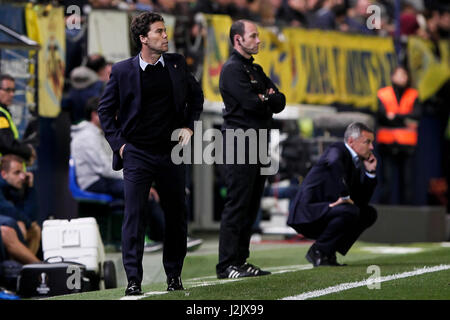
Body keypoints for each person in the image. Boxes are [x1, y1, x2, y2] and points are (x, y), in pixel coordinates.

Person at [98, 12, 203, 295]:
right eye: (159, 32)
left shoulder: (178, 64)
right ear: (143, 38)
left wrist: (188, 126)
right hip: (137, 153)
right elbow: (105, 111)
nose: (165, 36)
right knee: (134, 216)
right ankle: (133, 280)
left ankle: (174, 276)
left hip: (171, 153)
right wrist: (119, 145)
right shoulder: (121, 71)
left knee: (177, 216)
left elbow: (197, 97)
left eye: (165, 31)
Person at [71, 97, 202, 252]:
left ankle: (169, 237)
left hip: (106, 179)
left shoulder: (100, 133)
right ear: (94, 115)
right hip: (94, 182)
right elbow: (104, 169)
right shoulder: (87, 136)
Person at [217, 19, 286, 279]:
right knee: (238, 204)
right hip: (238, 142)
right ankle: (226, 265)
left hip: (258, 142)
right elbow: (252, 104)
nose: (258, 40)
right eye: (253, 36)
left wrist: (265, 97)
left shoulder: (255, 69)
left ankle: (241, 260)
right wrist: (264, 97)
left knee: (251, 204)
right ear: (238, 40)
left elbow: (279, 100)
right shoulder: (232, 69)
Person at [287, 122, 378, 266]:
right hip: (309, 211)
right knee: (349, 210)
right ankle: (318, 250)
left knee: (368, 213)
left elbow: (361, 201)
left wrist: (370, 173)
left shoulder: (355, 162)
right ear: (351, 141)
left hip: (328, 211)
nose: (372, 147)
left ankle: (329, 251)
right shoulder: (337, 149)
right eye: (367, 142)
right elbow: (334, 162)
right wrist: (344, 196)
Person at [376, 66, 420, 205]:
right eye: (399, 75)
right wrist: (405, 120)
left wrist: (394, 117)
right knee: (387, 181)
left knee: (407, 181)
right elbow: (382, 116)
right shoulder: (383, 94)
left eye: (404, 75)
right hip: (387, 144)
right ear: (392, 77)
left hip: (407, 146)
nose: (402, 78)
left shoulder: (413, 94)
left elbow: (416, 116)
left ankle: (407, 217)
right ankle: (383, 216)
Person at [0, 155, 41, 256]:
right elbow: (8, 210)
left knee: (35, 229)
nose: (22, 177)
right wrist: (24, 222)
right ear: (4, 174)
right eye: (17, 173)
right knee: (18, 225)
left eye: (22, 172)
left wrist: (30, 187)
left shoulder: (17, 187)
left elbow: (32, 218)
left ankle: (27, 267)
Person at [0, 74, 36, 165]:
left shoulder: (4, 112)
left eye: (13, 90)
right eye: (8, 90)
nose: (12, 94)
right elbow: (7, 144)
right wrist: (28, 151)